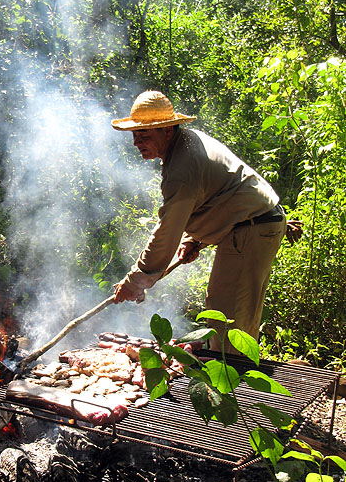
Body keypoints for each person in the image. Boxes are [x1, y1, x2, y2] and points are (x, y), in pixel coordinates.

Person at [112, 90, 286, 351]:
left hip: (251, 229)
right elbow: (215, 197)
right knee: (224, 307)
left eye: (145, 134)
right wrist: (195, 239)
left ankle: (233, 384)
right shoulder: (184, 145)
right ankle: (231, 373)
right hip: (251, 226)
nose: (137, 142)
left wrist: (136, 280)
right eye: (135, 134)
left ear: (168, 130)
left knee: (230, 317)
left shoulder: (183, 163)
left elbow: (168, 229)